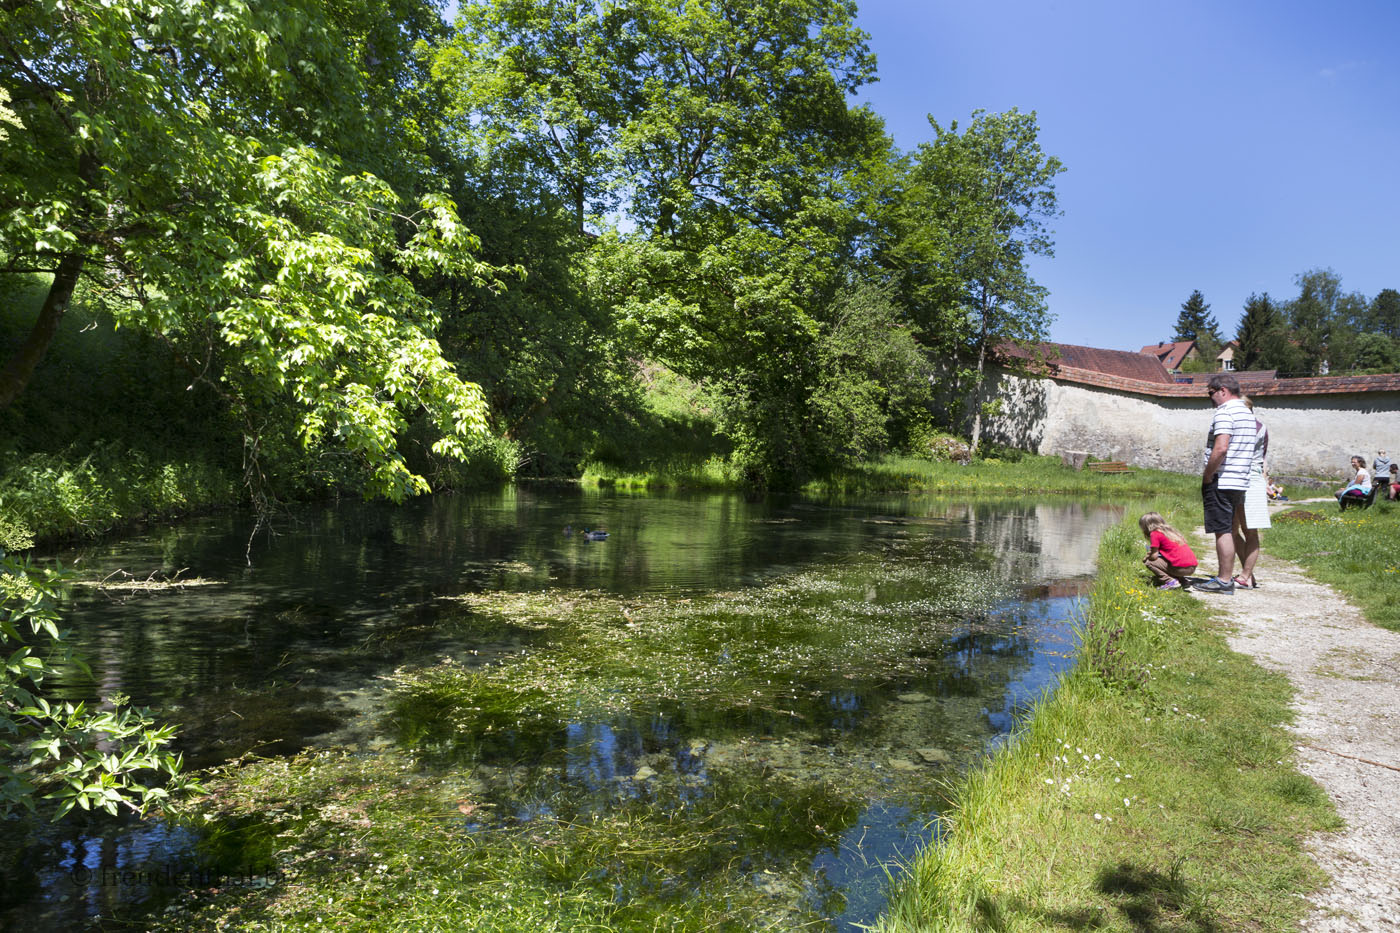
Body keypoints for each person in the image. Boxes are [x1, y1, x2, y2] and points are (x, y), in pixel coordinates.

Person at [1195, 374, 1256, 595]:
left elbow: (1221, 447)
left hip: (1222, 478)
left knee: (1222, 530)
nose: (1210, 398)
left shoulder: (1225, 412)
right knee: (1229, 528)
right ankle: (1227, 577)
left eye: (1210, 393)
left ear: (1222, 390)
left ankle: (1223, 580)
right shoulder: (1247, 413)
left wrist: (1208, 474)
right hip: (1239, 479)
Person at [1232, 396, 1269, 589]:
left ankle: (1246, 575)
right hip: (1235, 478)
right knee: (1231, 530)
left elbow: (1261, 458)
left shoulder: (1256, 427)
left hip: (1251, 479)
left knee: (1250, 530)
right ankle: (1248, 574)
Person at [1139, 512, 1198, 589]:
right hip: (1192, 567)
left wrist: (1147, 558)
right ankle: (1183, 581)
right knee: (1170, 561)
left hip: (1180, 568)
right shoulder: (1170, 531)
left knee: (1149, 562)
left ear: (1146, 526)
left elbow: (1154, 557)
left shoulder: (1155, 533)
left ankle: (1170, 581)